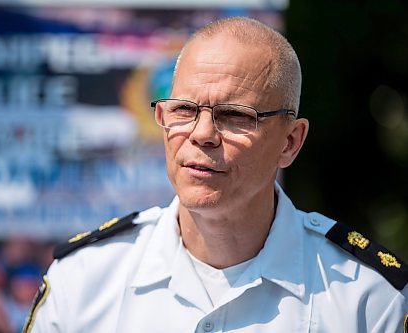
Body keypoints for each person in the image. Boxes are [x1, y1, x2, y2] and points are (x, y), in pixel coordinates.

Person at [22, 17, 407, 333]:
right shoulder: (84, 281)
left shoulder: (367, 300)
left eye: (236, 115)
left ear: (290, 142)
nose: (202, 134)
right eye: (183, 110)